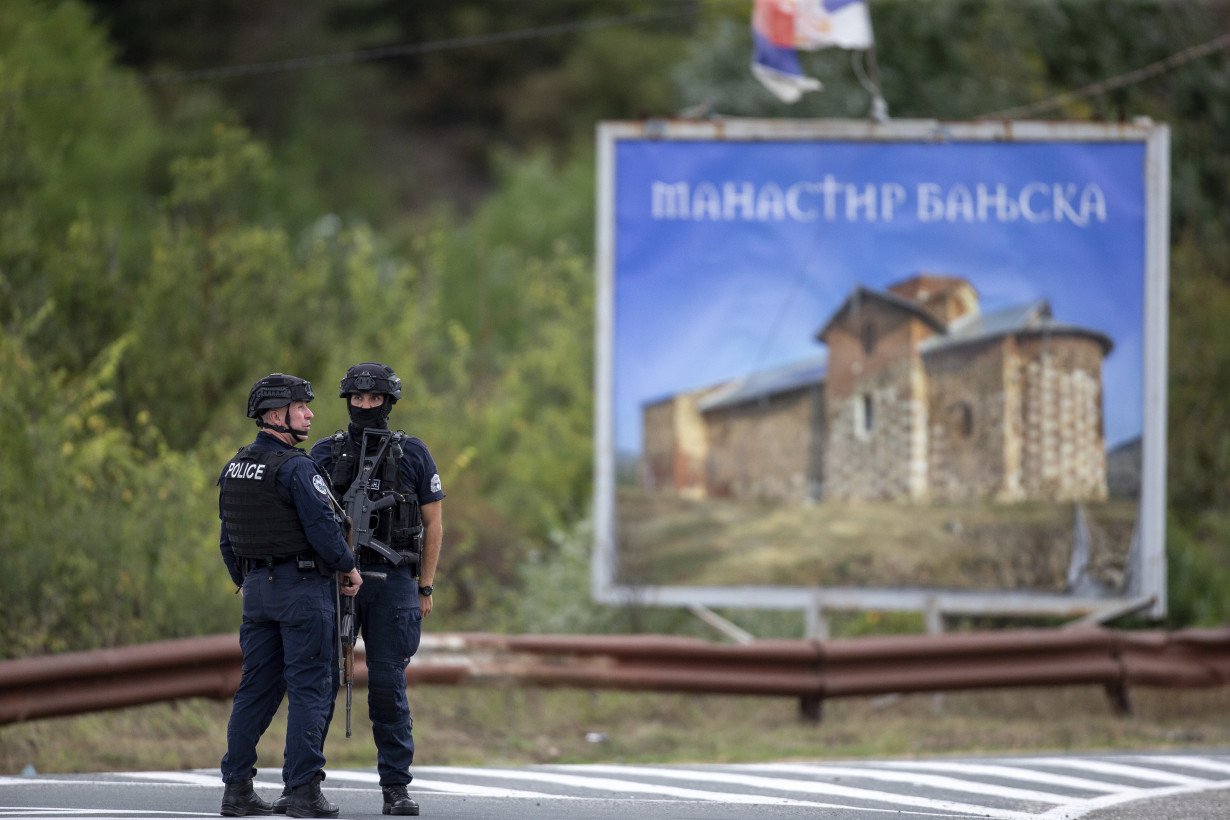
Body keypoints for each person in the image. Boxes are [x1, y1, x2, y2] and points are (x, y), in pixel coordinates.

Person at [217, 373, 363, 819]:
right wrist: (347, 567)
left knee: (255, 691)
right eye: (302, 407)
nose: (310, 413)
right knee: (312, 689)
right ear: (277, 414)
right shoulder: (296, 468)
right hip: (302, 592)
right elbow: (323, 528)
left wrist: (248, 581)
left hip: (257, 593)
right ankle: (302, 791)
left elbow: (227, 540)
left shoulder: (235, 467)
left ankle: (237, 790)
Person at [307, 362, 444, 817]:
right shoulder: (325, 453)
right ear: (348, 401)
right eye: (358, 399)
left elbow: (433, 523)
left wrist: (425, 585)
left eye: (374, 399)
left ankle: (396, 788)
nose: (365, 406)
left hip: (393, 581)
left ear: (389, 402)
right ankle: (304, 784)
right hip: (336, 581)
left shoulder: (414, 454)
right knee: (321, 683)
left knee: (387, 685)